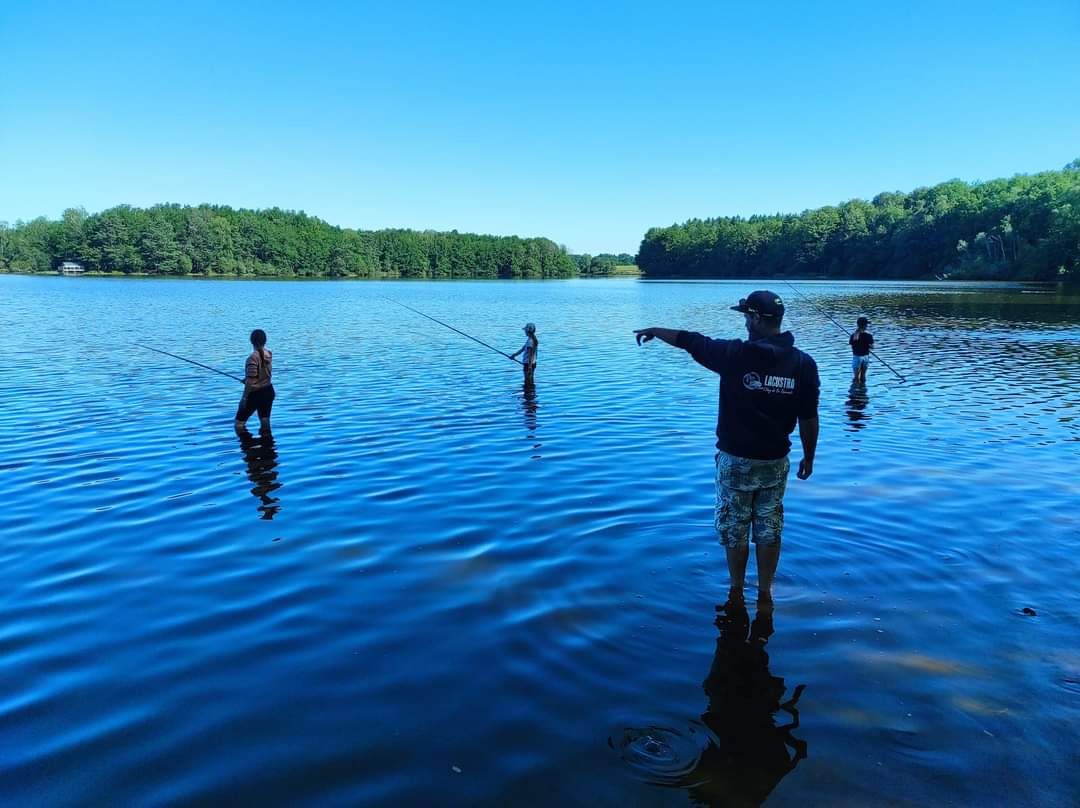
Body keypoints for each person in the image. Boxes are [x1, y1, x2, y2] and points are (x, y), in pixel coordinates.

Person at [634, 290, 819, 607]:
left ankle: (736, 591)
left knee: (735, 528)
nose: (745, 322)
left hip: (735, 461)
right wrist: (809, 457)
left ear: (757, 319)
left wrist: (654, 330)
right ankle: (765, 593)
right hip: (775, 462)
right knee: (769, 527)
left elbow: (690, 340)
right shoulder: (803, 363)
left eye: (747, 316)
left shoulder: (733, 354)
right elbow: (809, 417)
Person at [234, 328, 275, 432]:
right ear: (265, 340)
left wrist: (244, 398)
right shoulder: (268, 354)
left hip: (256, 394)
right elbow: (262, 373)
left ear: (251, 341)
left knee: (239, 424)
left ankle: (246, 442)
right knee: (265, 420)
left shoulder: (252, 358)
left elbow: (251, 381)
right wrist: (248, 378)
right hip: (268, 390)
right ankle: (267, 441)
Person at [849, 316, 873, 383]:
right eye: (867, 324)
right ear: (865, 325)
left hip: (856, 357)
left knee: (856, 377)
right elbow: (872, 347)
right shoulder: (868, 336)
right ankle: (863, 387)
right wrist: (867, 345)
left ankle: (856, 388)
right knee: (863, 376)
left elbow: (852, 344)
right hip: (866, 357)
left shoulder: (853, 336)